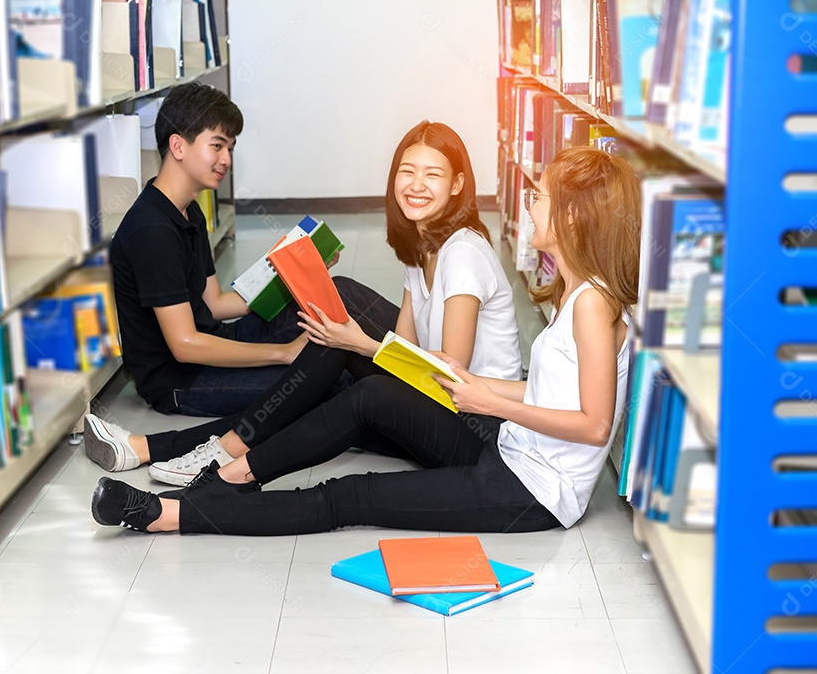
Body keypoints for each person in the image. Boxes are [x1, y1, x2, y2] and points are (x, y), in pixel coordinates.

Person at [89, 145, 640, 536]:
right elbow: (548, 391)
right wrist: (480, 385)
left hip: (532, 492)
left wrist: (490, 401)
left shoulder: (591, 304)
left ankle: (171, 512)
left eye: (540, 197)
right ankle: (225, 478)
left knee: (351, 496)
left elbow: (595, 425)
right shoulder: (574, 294)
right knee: (365, 395)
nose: (529, 203)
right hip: (507, 448)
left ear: (573, 216)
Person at [85, 121, 523, 485]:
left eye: (433, 175)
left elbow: (451, 378)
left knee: (333, 360)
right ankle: (210, 451)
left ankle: (208, 453)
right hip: (443, 407)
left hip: (478, 425)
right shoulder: (421, 246)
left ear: (458, 184)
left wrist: (358, 344)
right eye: (407, 172)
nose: (417, 185)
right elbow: (405, 351)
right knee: (332, 347)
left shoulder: (462, 255)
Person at [109, 81, 396, 418]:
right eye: (217, 146)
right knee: (331, 375)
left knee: (342, 293)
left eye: (230, 148)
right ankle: (418, 404)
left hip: (216, 339)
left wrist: (300, 272)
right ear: (178, 145)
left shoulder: (188, 211)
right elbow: (185, 345)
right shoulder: (151, 230)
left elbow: (215, 304)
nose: (226, 160)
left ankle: (422, 357)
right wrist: (284, 353)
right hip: (181, 380)